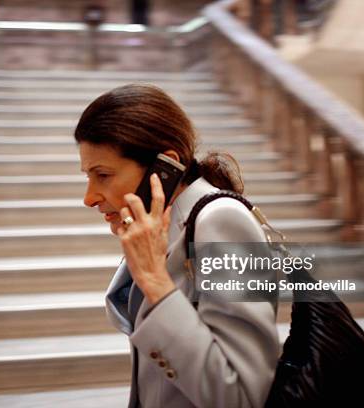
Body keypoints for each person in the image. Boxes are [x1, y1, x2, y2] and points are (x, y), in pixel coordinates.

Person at [75, 84, 279, 408]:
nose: (89, 198)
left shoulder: (221, 222)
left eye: (103, 175)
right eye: (88, 176)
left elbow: (240, 397)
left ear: (164, 167)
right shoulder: (159, 232)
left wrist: (155, 282)